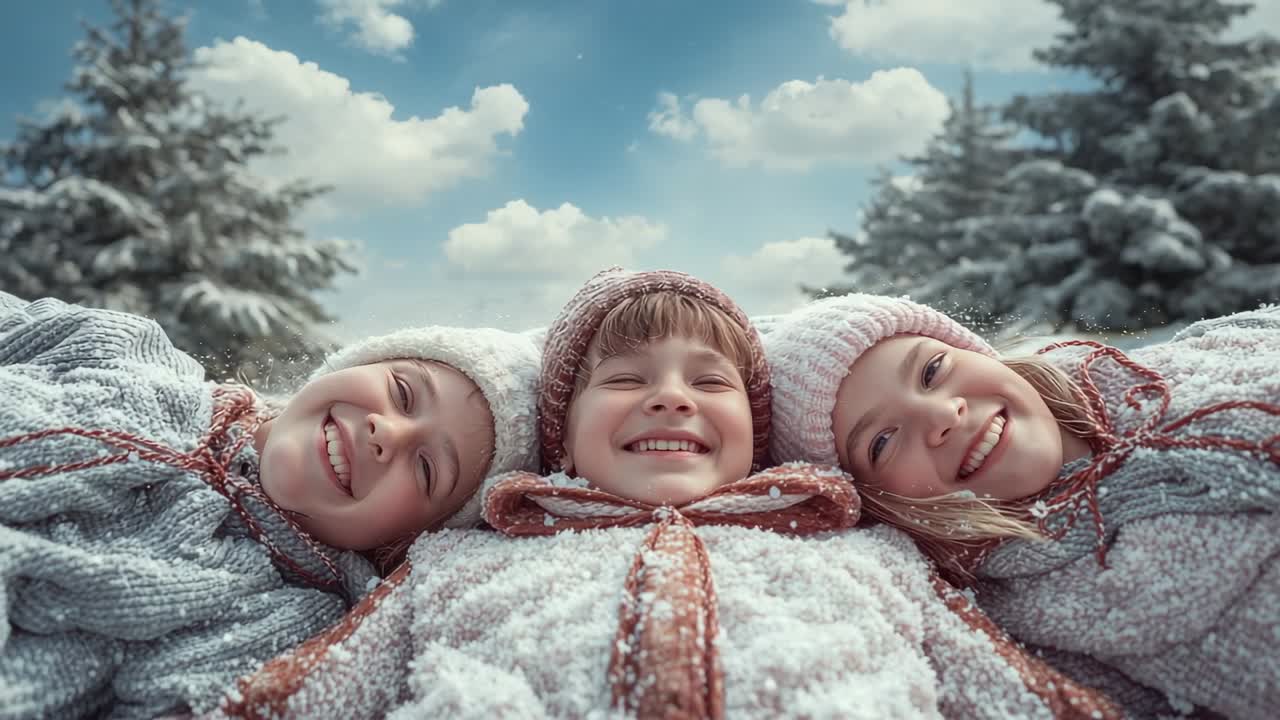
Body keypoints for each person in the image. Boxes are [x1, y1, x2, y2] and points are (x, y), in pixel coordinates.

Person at [226, 268, 1122, 719]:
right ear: (563, 439)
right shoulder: (458, 557)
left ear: (761, 436)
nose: (670, 396)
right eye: (623, 382)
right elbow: (322, 687)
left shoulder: (863, 550)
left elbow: (997, 684)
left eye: (710, 381)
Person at [0, 290, 540, 719]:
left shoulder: (282, 620)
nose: (387, 433)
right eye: (402, 391)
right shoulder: (124, 349)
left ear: (404, 540)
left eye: (426, 469)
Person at [763, 292, 1280, 719]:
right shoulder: (1029, 619)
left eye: (933, 370)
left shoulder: (1184, 365)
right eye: (881, 442)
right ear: (883, 503)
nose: (943, 414)